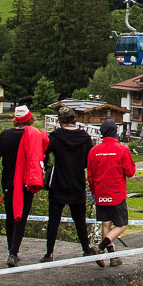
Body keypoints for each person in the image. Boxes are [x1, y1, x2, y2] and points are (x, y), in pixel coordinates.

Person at [0, 106, 50, 268]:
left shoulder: (5, 135)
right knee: (22, 216)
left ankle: (11, 249)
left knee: (10, 215)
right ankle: (13, 251)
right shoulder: (34, 135)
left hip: (8, 181)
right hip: (27, 180)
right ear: (30, 119)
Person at [43, 110, 97, 262]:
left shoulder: (54, 136)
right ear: (74, 120)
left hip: (58, 182)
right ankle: (85, 249)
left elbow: (45, 154)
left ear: (60, 121)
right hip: (77, 182)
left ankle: (49, 253)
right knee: (80, 219)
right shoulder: (85, 137)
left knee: (53, 220)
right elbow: (89, 160)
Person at [87, 121, 136, 267]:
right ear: (116, 132)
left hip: (100, 192)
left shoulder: (94, 151)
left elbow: (90, 175)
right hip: (116, 193)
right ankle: (100, 247)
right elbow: (130, 172)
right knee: (122, 225)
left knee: (106, 224)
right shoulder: (122, 149)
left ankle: (113, 257)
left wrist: (93, 191)